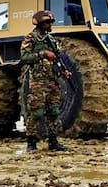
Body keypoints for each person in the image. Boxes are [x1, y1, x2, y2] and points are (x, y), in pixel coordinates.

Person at [20, 10, 71, 152]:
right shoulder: (31, 38)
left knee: (54, 112)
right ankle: (31, 142)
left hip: (52, 80)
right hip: (38, 81)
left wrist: (64, 71)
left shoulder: (51, 40)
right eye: (47, 22)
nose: (50, 25)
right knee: (36, 112)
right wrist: (43, 54)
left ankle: (53, 141)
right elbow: (24, 58)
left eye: (51, 22)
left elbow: (58, 58)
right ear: (40, 23)